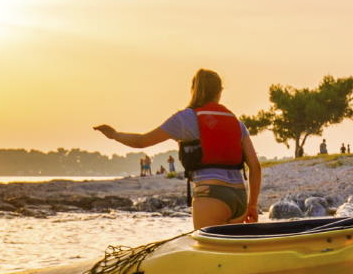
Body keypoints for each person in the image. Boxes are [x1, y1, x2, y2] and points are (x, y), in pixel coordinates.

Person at [96, 69, 264, 227]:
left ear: (194, 90)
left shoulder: (185, 119)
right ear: (220, 91)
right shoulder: (236, 123)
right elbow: (255, 167)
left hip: (211, 194)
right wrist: (253, 205)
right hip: (240, 197)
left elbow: (141, 141)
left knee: (209, 254)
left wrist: (115, 135)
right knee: (231, 253)